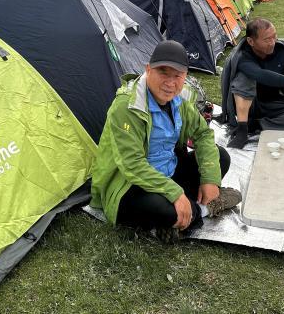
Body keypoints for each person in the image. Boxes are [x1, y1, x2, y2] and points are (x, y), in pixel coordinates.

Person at [90, 40, 242, 243]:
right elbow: (131, 164)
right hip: (128, 184)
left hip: (168, 172)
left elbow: (203, 134)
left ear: (185, 76)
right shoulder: (127, 106)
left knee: (220, 157)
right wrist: (175, 193)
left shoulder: (180, 100)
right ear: (148, 70)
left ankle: (179, 216)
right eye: (163, 72)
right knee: (166, 211)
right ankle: (204, 209)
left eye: (177, 75)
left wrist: (210, 180)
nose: (170, 83)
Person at [220, 18, 284, 149]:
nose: (273, 42)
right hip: (248, 106)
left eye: (274, 36)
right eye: (267, 39)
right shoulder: (241, 56)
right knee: (244, 78)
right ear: (251, 41)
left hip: (272, 104)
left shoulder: (283, 51)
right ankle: (242, 130)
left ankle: (256, 125)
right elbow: (259, 74)